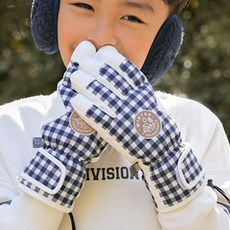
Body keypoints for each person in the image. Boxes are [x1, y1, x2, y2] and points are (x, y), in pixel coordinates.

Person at [0, 0, 229, 229]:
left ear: (163, 39)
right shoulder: (9, 127)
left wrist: (166, 161)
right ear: (52, 11)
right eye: (83, 5)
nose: (101, 37)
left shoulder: (196, 125)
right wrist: (57, 163)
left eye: (132, 18)